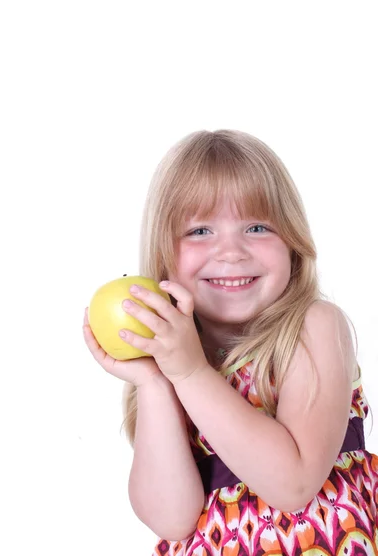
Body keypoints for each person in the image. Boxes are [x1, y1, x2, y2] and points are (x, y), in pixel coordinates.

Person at [83, 130, 378, 555]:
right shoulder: (175, 366)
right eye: (200, 230)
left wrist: (189, 372)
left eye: (256, 226)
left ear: (292, 241)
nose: (231, 252)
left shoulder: (313, 327)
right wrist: (155, 382)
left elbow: (293, 484)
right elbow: (171, 518)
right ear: (164, 254)